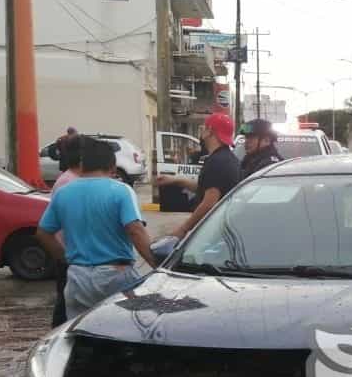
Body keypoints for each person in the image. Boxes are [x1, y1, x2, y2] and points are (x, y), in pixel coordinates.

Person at [36, 137, 157, 320]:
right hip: (116, 275)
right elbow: (135, 230)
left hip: (78, 277)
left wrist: (66, 258)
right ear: (113, 168)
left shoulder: (63, 192)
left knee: (82, 335)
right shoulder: (121, 191)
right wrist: (159, 267)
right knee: (122, 334)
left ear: (83, 165)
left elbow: (43, 233)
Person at [156, 112, 239, 241]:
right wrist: (175, 180)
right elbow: (206, 187)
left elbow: (209, 202)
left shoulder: (217, 162)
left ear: (210, 131)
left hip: (214, 231)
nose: (201, 131)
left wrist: (183, 229)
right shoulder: (226, 158)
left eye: (203, 128)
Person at [48, 136, 83, 326]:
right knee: (64, 303)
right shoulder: (69, 182)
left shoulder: (71, 179)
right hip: (68, 253)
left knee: (65, 300)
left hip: (69, 252)